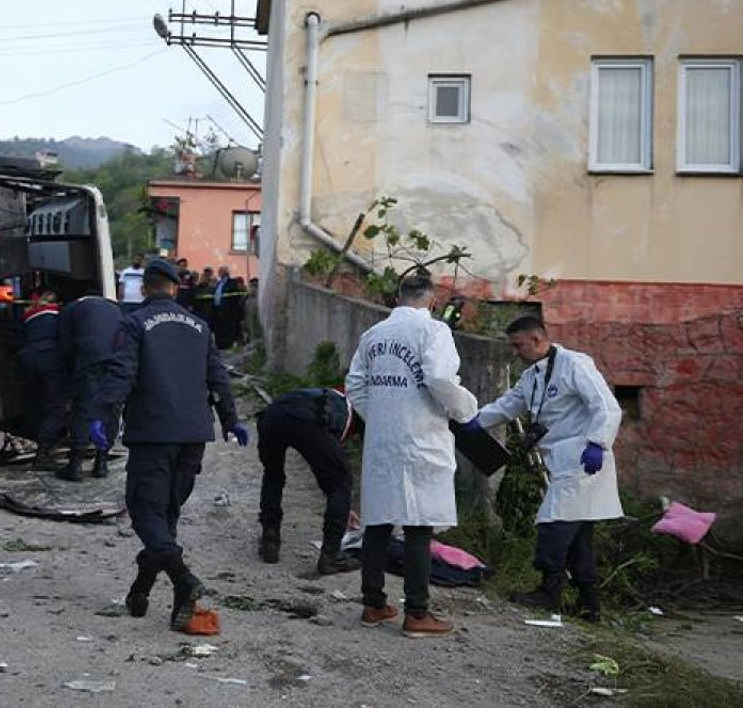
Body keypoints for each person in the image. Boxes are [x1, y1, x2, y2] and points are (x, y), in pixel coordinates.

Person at [87, 258, 248, 631]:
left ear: (144, 289)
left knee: (145, 513)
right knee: (166, 517)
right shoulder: (200, 326)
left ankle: (184, 580)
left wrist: (102, 419)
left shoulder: (134, 324)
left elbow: (121, 375)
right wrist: (231, 420)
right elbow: (218, 378)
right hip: (193, 435)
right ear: (175, 288)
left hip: (153, 434)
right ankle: (148, 595)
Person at [345, 270, 478, 638]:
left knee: (379, 521)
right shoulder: (434, 331)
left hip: (383, 440)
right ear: (431, 300)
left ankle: (373, 604)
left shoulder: (374, 335)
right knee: (419, 524)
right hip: (420, 438)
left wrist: (382, 414)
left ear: (398, 298)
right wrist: (466, 409)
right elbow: (438, 378)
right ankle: (417, 613)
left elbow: (354, 383)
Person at [469, 315, 623, 622]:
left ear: (537, 340)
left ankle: (549, 592)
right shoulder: (532, 377)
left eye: (518, 345)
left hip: (584, 459)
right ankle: (589, 606)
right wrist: (472, 421)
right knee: (579, 537)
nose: (515, 352)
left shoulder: (574, 365)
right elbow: (508, 405)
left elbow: (606, 406)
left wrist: (598, 443)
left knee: (551, 524)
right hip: (562, 461)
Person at [256, 387, 362, 575]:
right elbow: (331, 474)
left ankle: (269, 540)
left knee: (273, 474)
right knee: (341, 482)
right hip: (307, 420)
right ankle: (331, 556)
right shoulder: (350, 413)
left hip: (272, 414)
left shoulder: (327, 394)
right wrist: (340, 501)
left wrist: (342, 507)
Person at [57, 293, 123, 480]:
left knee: (84, 409)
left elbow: (65, 346)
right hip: (116, 360)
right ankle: (101, 463)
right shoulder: (114, 307)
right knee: (111, 409)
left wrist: (72, 374)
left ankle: (75, 465)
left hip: (90, 360)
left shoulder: (69, 310)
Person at [18, 289, 68, 472]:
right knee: (55, 407)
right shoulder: (58, 315)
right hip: (50, 359)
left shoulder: (28, 316)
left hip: (28, 359)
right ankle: (43, 454)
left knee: (35, 402)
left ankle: (31, 441)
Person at [210, 265, 245, 349]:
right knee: (219, 329)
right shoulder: (219, 283)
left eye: (221, 271)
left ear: (225, 273)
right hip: (218, 310)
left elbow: (235, 298)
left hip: (228, 311)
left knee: (227, 329)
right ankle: (220, 346)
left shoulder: (232, 283)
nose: (219, 273)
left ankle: (228, 346)